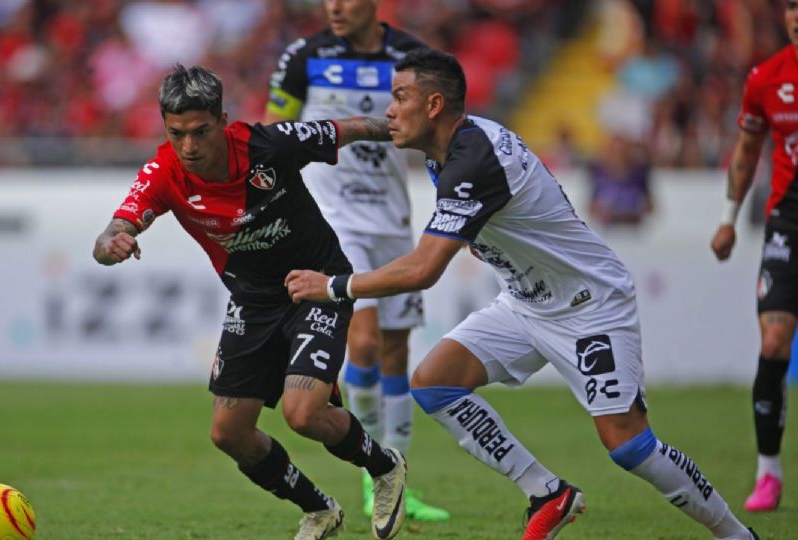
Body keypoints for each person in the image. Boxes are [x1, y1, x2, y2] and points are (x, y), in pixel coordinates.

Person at [286, 48, 760, 540]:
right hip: (525, 302)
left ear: (432, 105)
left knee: (629, 447)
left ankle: (736, 534)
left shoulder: (473, 159)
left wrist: (335, 288)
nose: (388, 110)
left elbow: (424, 268)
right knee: (434, 383)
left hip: (588, 305)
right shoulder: (448, 152)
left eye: (399, 97)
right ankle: (546, 491)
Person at [93, 64, 408, 540]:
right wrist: (111, 245)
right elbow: (114, 229)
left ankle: (384, 467)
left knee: (302, 414)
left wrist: (431, 136)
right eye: (176, 133)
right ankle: (319, 509)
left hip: (317, 283)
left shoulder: (270, 145)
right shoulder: (163, 173)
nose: (189, 147)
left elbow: (353, 128)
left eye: (200, 131)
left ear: (223, 119)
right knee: (229, 434)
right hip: (252, 299)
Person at [264, 0, 448, 521]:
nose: (335, 7)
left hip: (391, 217)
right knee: (363, 340)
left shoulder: (410, 55)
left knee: (395, 352)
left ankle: (398, 480)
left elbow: (439, 139)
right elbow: (274, 137)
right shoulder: (303, 55)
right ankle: (373, 476)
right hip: (333, 217)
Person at [710, 0, 798, 514]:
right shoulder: (766, 78)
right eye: (790, 5)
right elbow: (746, 152)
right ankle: (769, 472)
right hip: (788, 223)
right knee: (774, 337)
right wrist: (727, 218)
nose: (796, 14)